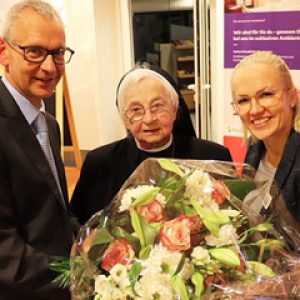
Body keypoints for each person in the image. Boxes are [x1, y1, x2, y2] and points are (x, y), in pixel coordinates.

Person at [71, 64, 232, 225]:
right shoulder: (99, 163)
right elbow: (79, 224)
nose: (149, 119)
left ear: (175, 110)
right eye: (136, 110)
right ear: (125, 119)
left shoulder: (213, 158)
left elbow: (232, 221)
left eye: (157, 106)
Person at [0, 1, 79, 299]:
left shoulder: (49, 123)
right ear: (3, 51)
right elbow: (4, 254)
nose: (49, 66)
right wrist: (77, 274)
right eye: (34, 51)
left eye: (58, 52)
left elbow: (51, 208)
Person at [230, 51, 300, 222]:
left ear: (292, 97)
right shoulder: (255, 148)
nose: (255, 110)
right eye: (244, 101)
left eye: (266, 95)